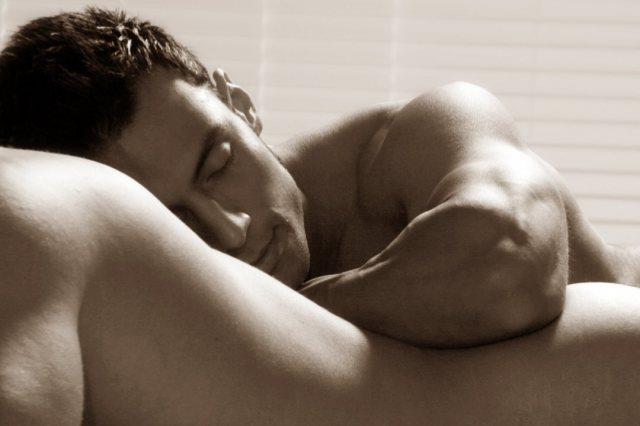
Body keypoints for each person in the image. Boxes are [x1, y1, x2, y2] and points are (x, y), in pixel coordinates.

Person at [0, 8, 640, 423]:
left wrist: (286, 309)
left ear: (240, 104)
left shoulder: (414, 136)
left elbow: (506, 259)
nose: (228, 230)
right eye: (169, 221)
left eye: (218, 164)